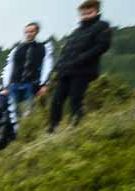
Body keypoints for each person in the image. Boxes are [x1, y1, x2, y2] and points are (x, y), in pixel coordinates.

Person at [43, 1, 113, 131]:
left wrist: (81, 58)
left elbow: (102, 46)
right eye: (83, 13)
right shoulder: (76, 31)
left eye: (89, 12)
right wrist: (59, 65)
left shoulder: (102, 26)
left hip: (83, 70)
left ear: (96, 11)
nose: (86, 16)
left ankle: (75, 125)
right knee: (56, 100)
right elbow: (65, 50)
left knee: (75, 98)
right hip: (66, 70)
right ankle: (53, 127)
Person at [0, 22, 50, 127]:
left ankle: (31, 128)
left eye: (31, 31)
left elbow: (47, 65)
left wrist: (44, 84)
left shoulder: (43, 47)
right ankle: (16, 131)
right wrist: (5, 86)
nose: (28, 34)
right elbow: (8, 67)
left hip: (31, 84)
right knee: (13, 111)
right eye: (26, 32)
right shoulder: (16, 49)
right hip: (14, 84)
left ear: (36, 32)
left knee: (29, 110)